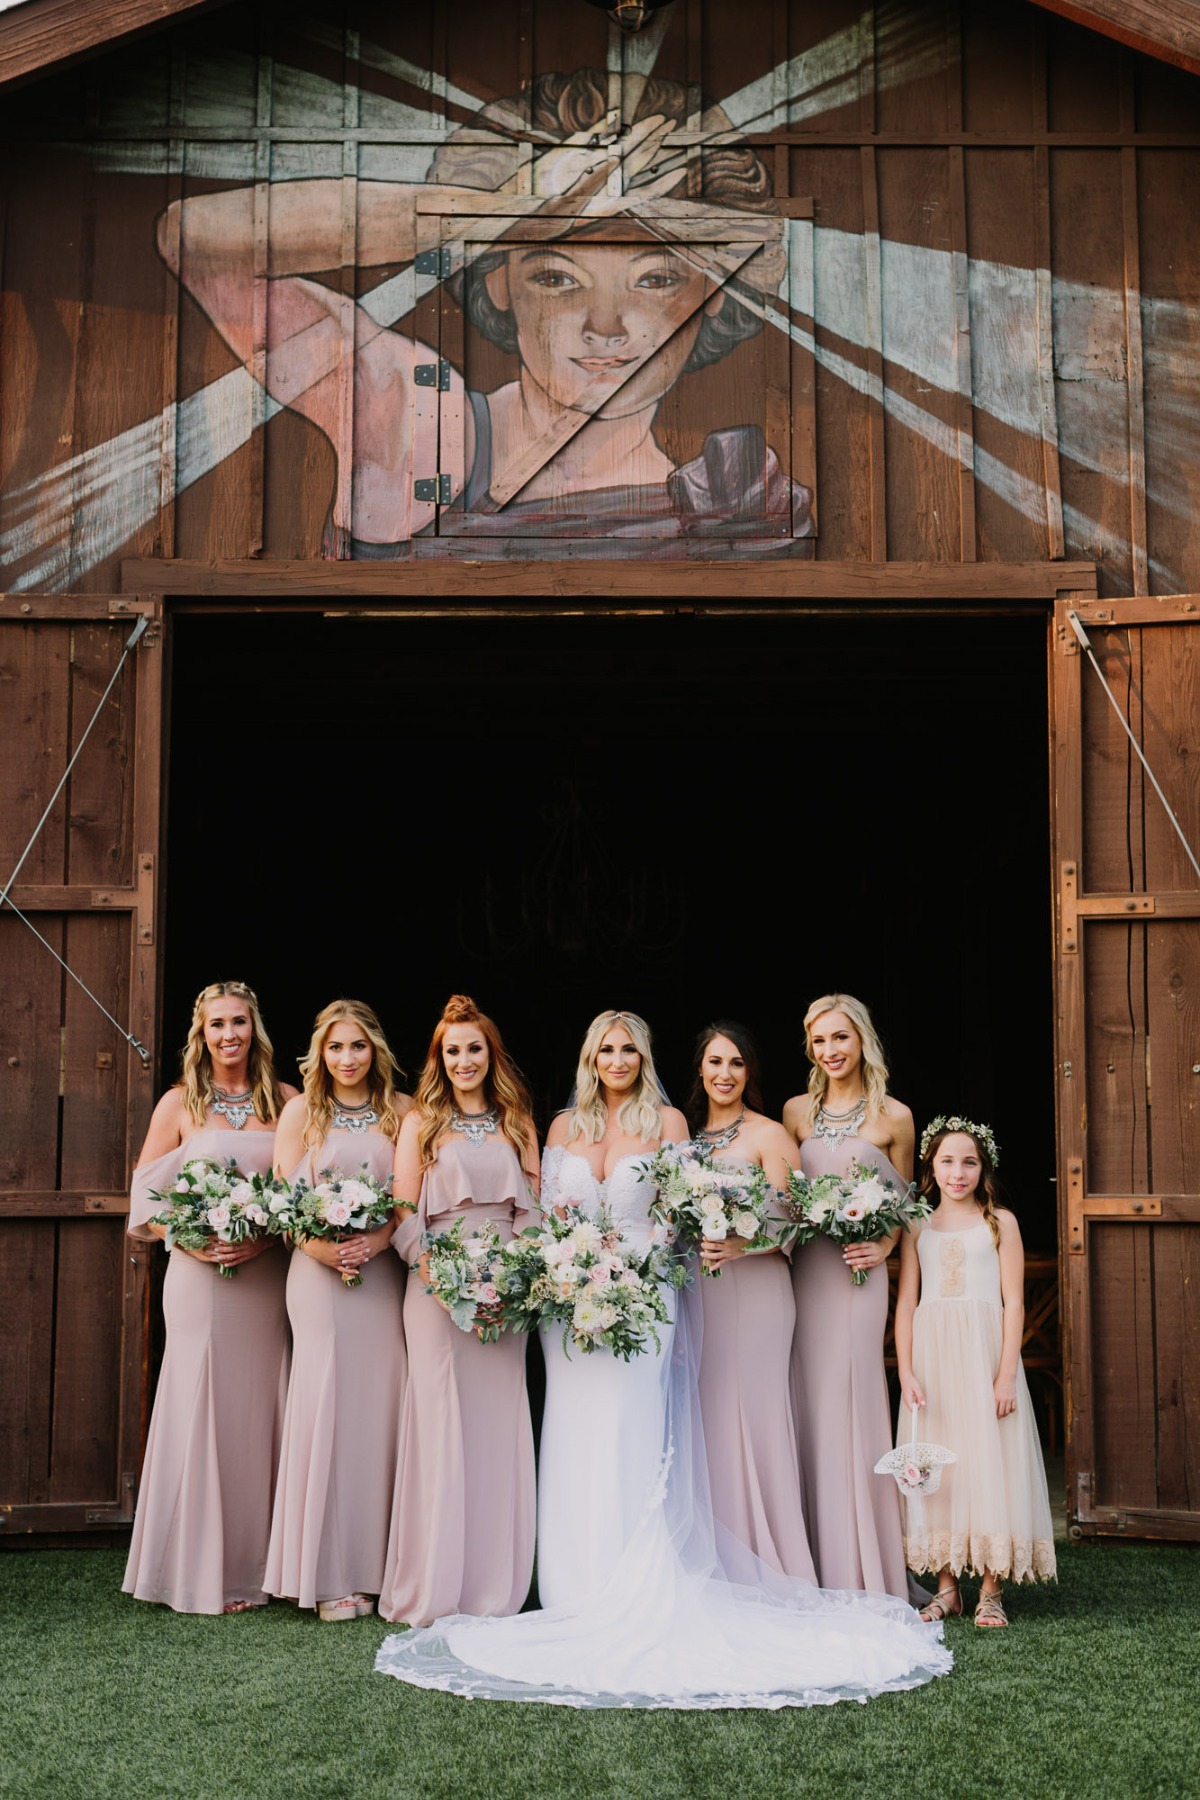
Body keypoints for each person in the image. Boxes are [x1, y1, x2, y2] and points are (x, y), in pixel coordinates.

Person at [375, 1008, 951, 1711]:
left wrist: (630, 1264)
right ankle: (569, 1586)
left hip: (643, 1299)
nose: (617, 1059)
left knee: (631, 1429)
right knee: (571, 1434)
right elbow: (544, 1213)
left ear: (644, 1057)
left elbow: (678, 1217)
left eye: (629, 1049)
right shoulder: (558, 1129)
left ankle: (635, 1578)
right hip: (566, 1302)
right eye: (605, 1049)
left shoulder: (671, 1124)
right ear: (590, 1058)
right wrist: (571, 1265)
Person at [155, 69, 813, 559]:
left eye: (656, 278)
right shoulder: (416, 423)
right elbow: (195, 238)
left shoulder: (733, 497)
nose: (606, 325)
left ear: (714, 294)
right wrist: (500, 208)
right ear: (497, 281)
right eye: (557, 277)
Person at [122, 980, 295, 1614]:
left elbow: (304, 1189)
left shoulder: (286, 1100)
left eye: (240, 1023)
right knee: (201, 1406)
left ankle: (261, 1567)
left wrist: (265, 1237)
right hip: (199, 1278)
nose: (229, 1035)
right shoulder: (178, 1104)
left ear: (256, 1029)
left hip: (266, 1274)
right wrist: (193, 1242)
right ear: (202, 1033)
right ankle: (198, 1572)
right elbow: (144, 1200)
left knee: (261, 1407)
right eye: (217, 1024)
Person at [378, 996, 540, 1627]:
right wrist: (443, 1281)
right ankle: (436, 1583)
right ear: (438, 1058)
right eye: (453, 1050)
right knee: (439, 1426)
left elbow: (534, 1209)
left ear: (490, 1054)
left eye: (475, 1048)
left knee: (498, 1428)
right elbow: (401, 1211)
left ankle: (494, 1586)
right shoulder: (421, 1123)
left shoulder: (516, 1118)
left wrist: (514, 1279)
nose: (465, 1060)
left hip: (506, 1289)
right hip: (436, 1286)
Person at [264, 999, 412, 1621]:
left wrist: (378, 1242)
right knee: (324, 1404)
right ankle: (325, 1574)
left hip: (382, 1277)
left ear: (375, 1048)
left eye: (358, 1046)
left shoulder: (405, 1112)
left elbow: (411, 1200)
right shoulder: (302, 1111)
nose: (347, 1058)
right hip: (318, 1279)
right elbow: (280, 1199)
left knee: (380, 1407)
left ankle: (379, 1568)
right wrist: (322, 1249)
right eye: (335, 1047)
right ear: (320, 1053)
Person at [894, 1117, 1056, 1627]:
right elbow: (905, 1304)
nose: (957, 1172)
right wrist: (906, 1372)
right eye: (947, 1161)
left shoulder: (999, 1222)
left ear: (983, 1168)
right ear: (931, 1167)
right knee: (938, 1467)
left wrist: (1007, 1373)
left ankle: (990, 1588)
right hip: (932, 1357)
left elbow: (1012, 1304)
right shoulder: (918, 1222)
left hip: (985, 1356)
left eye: (969, 1162)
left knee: (990, 1460)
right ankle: (947, 1588)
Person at [782, 993, 914, 1598]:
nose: (830, 1051)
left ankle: (865, 1564)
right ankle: (812, 1557)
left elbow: (909, 1207)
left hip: (861, 1278)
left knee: (855, 1400)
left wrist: (886, 1246)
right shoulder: (794, 1115)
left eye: (840, 1038)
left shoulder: (894, 1117)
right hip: (806, 1273)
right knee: (809, 1403)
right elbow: (781, 1199)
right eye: (819, 1041)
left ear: (862, 1040)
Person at [687, 1020, 815, 1580]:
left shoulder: (768, 1135)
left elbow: (799, 1221)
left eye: (736, 1063)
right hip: (702, 1293)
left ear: (749, 1072)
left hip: (759, 1291)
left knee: (757, 1414)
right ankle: (718, 1556)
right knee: (708, 1416)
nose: (725, 1073)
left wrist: (744, 1244)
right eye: (716, 1062)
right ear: (700, 1069)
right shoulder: (686, 1141)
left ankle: (773, 1559)